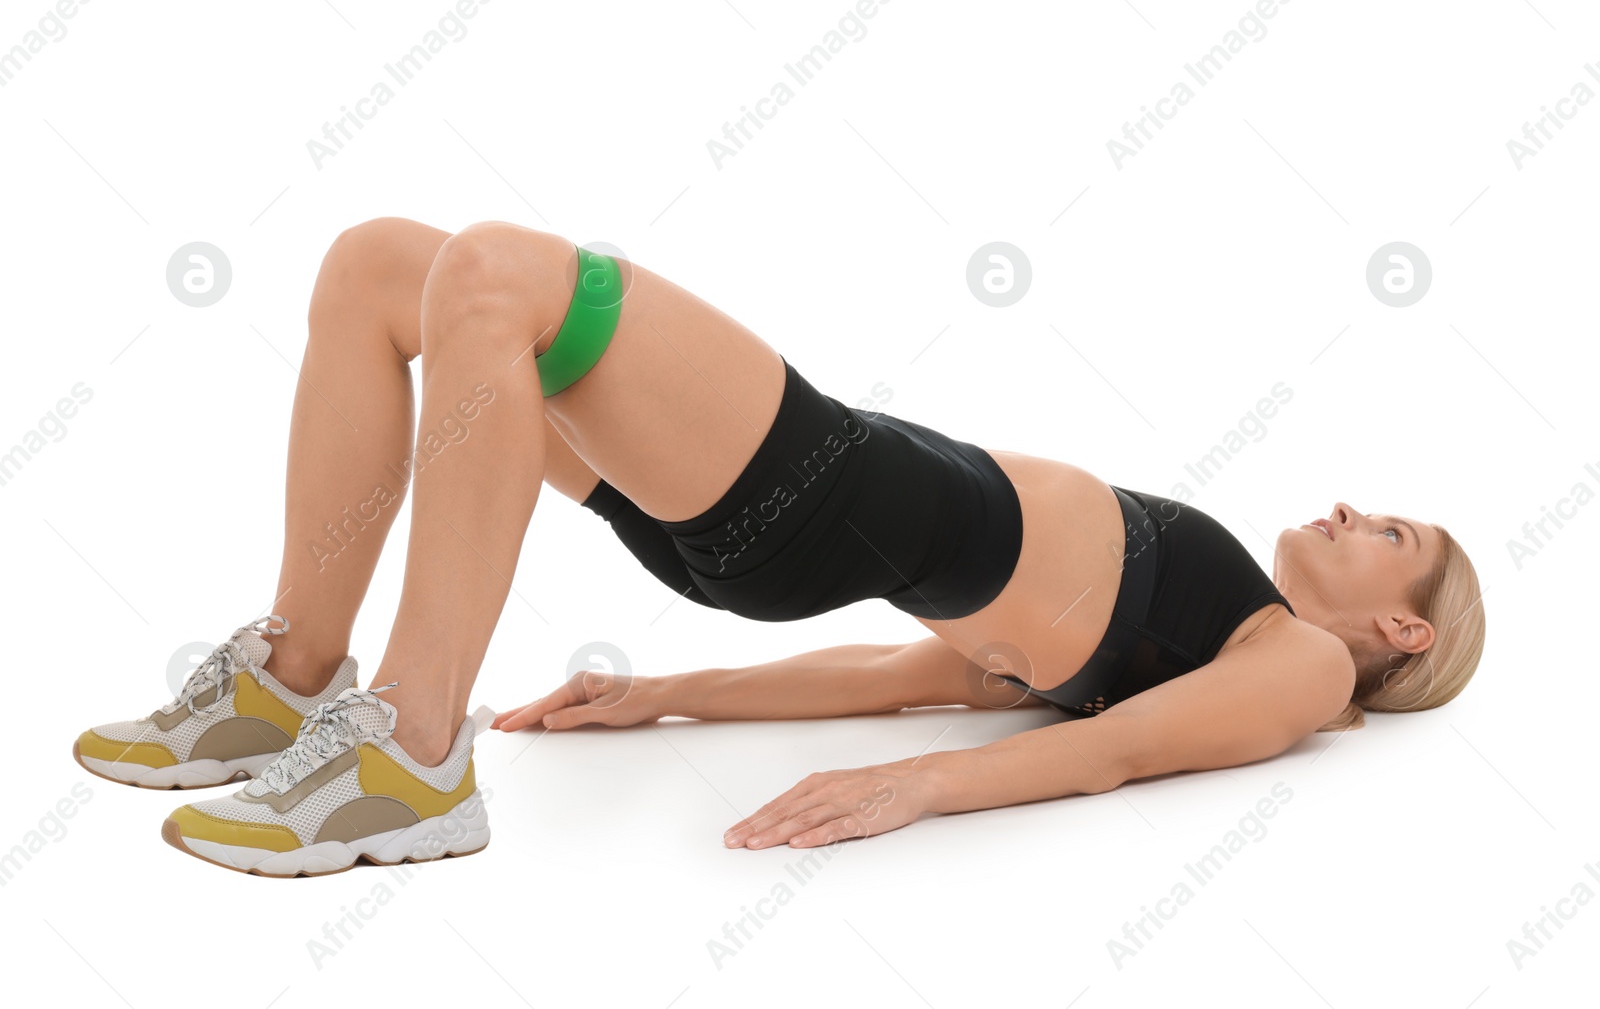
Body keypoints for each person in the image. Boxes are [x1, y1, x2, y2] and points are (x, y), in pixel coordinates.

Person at [73, 218, 1486, 876]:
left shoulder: (1296, 659)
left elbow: (1112, 754)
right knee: (385, 266)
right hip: (781, 525)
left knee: (494, 270)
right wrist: (671, 691)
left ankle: (419, 752)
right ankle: (292, 674)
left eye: (1391, 534)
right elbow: (920, 670)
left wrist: (921, 793)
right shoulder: (1169, 634)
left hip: (820, 487)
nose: (1353, 512)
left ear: (1404, 630)